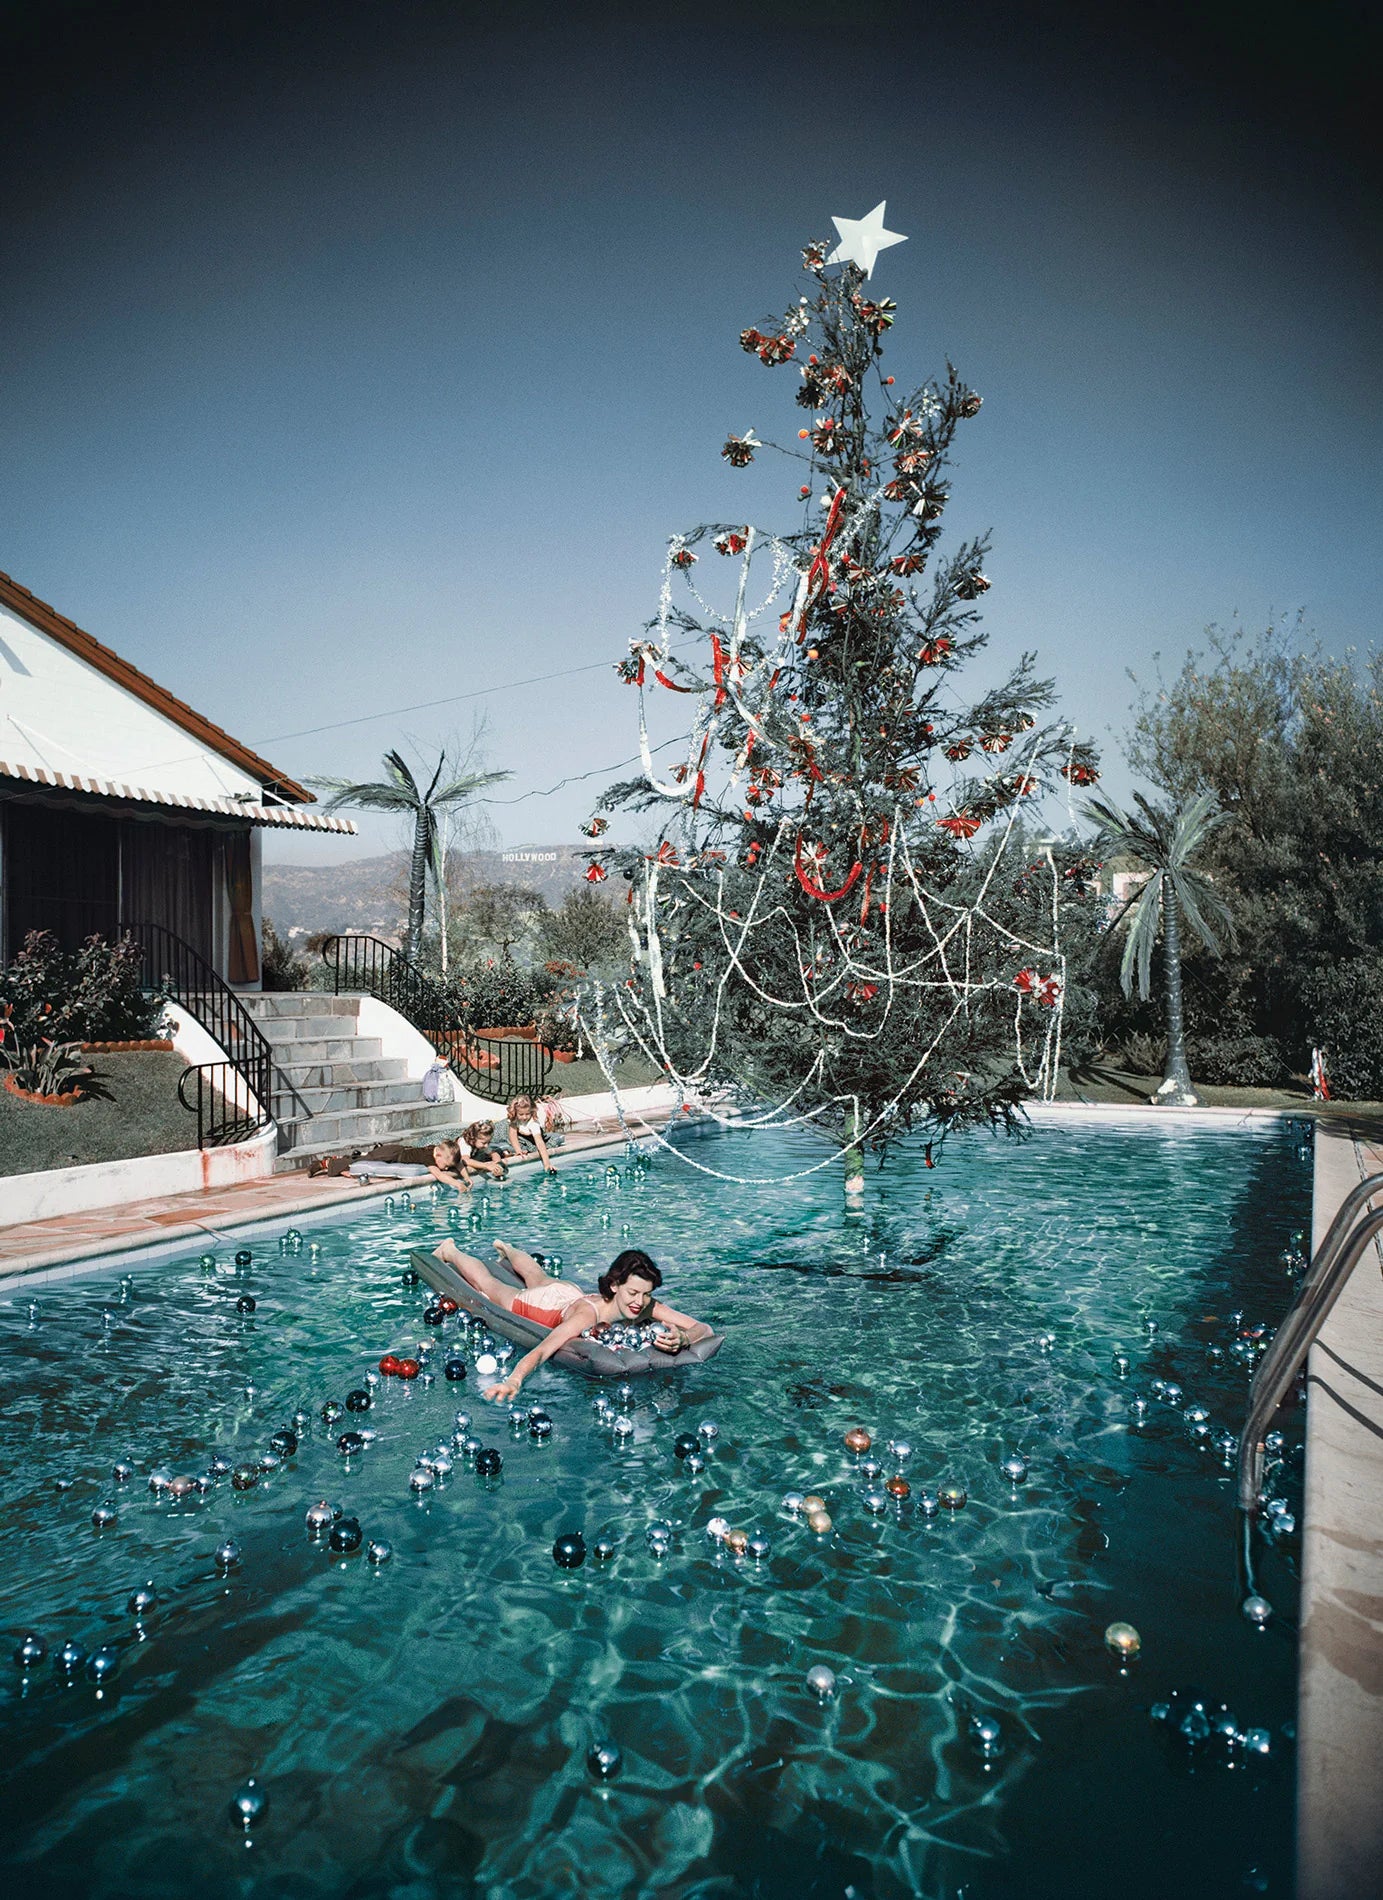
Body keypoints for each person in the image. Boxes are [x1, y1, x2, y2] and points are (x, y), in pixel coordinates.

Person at [429, 1240, 712, 1402]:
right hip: (542, 1305)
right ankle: (450, 1250)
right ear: (614, 1286)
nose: (639, 1301)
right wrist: (515, 1380)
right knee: (491, 1286)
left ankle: (507, 1249)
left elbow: (703, 1328)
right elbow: (543, 1349)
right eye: (633, 1292)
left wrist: (685, 1338)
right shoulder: (587, 1316)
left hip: (570, 1293)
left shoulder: (646, 1304)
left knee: (538, 1275)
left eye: (646, 1294)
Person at [309, 1139, 470, 1191]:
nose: (447, 1168)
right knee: (360, 1163)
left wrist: (467, 1178)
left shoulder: (438, 1152)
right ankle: (325, 1163)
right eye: (446, 1165)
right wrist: (457, 1183)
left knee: (363, 1160)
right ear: (439, 1155)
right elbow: (439, 1175)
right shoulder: (430, 1158)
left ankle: (344, 1160)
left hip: (394, 1153)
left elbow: (459, 1163)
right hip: (392, 1154)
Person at [502, 1094, 556, 1172]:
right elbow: (512, 1135)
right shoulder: (514, 1118)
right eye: (521, 1114)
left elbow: (539, 1142)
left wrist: (547, 1164)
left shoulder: (533, 1123)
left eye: (527, 1114)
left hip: (527, 1137)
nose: (524, 1117)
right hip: (506, 1130)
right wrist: (518, 1151)